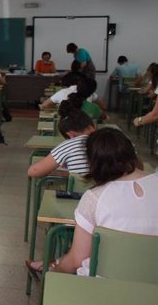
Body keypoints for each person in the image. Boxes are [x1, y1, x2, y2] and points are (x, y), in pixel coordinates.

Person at [27, 128, 158, 276]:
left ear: (92, 162)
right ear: (132, 153)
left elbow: (77, 260)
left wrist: (55, 268)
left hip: (101, 284)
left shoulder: (95, 198)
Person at [27, 103, 96, 179]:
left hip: (81, 190)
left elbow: (33, 171)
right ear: (92, 124)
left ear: (71, 135)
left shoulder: (70, 145)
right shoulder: (108, 139)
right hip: (107, 189)